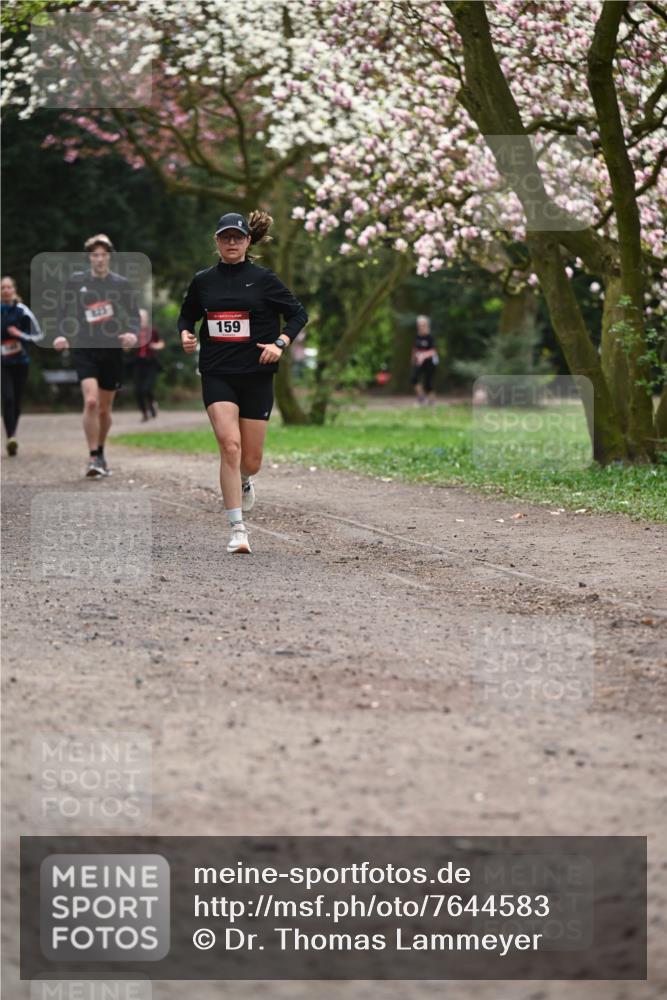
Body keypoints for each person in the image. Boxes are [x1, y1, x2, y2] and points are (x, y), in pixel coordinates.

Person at [179, 210, 308, 554]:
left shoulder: (263, 279)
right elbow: (187, 315)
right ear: (217, 241)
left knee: (251, 460)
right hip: (217, 373)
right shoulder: (204, 281)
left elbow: (298, 313)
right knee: (229, 446)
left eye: (238, 237)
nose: (232, 243)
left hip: (256, 375)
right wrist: (186, 334)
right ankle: (237, 529)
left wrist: (280, 343)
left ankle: (246, 479)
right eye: (226, 238)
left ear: (248, 241)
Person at [53, 234, 140, 477]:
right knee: (91, 401)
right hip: (85, 347)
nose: (99, 259)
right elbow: (62, 312)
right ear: (89, 258)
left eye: (103, 254)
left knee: (104, 409)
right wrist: (60, 334)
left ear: (109, 257)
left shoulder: (120, 284)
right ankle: (93, 457)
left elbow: (134, 315)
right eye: (94, 255)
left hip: (111, 349)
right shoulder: (76, 282)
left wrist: (132, 334)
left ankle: (101, 451)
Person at [1, 275, 43, 455]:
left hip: (20, 362)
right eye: (2, 287)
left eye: (8, 287)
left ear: (14, 290)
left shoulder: (22, 311)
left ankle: (13, 433)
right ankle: (11, 437)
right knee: (8, 398)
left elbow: (38, 336)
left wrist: (19, 334)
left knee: (17, 399)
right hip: (3, 363)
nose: (5, 290)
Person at [134, 308, 165, 421]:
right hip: (139, 362)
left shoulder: (153, 330)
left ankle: (152, 404)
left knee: (147, 389)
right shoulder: (134, 331)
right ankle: (144, 413)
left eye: (143, 317)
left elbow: (161, 343)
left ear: (147, 318)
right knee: (138, 391)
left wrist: (156, 346)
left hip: (151, 362)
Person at [410, 314, 439, 405]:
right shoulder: (417, 336)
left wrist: (423, 356)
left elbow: (433, 351)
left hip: (430, 362)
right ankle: (422, 398)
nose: (420, 327)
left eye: (422, 325)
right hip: (419, 362)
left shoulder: (430, 336)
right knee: (414, 378)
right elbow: (415, 348)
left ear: (426, 325)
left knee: (428, 384)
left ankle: (431, 402)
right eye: (419, 325)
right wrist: (413, 358)